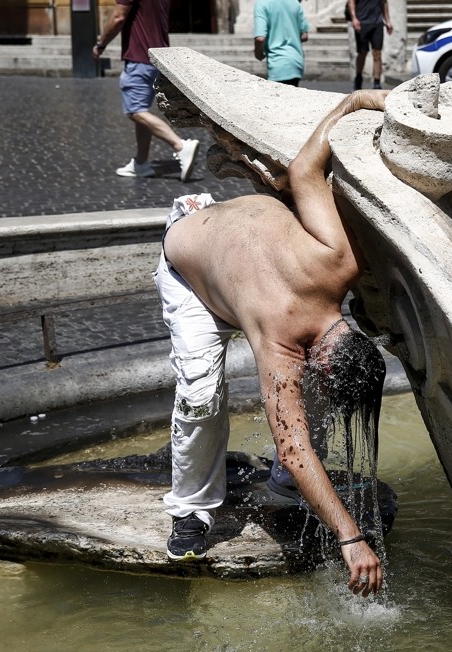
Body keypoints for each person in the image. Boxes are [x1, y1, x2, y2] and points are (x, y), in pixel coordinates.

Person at [154, 90, 391, 597]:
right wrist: (349, 536)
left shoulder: (341, 265)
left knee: (295, 435)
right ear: (321, 363)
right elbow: (293, 442)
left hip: (230, 259)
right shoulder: (281, 344)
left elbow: (306, 167)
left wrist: (356, 102)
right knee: (200, 396)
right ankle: (191, 507)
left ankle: (287, 485)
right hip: (189, 270)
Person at [93, 0, 200, 181]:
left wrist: (101, 44)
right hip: (157, 58)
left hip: (138, 57)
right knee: (141, 110)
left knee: (135, 111)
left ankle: (180, 146)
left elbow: (118, 17)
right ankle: (141, 163)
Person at [254, 0, 311, 86]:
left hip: (277, 62)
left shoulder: (262, 3)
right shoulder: (295, 3)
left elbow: (260, 38)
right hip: (296, 61)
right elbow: (304, 36)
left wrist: (258, 53)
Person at [348, 0, 393, 91]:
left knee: (377, 52)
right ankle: (359, 77)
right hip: (362, 22)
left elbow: (384, 2)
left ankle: (377, 82)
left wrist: (387, 20)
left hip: (377, 23)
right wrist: (354, 18)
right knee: (362, 52)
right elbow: (351, 2)